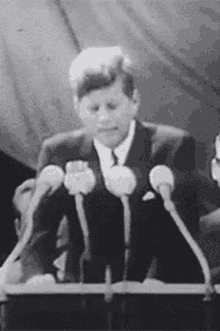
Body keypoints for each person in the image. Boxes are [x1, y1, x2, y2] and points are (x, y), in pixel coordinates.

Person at [7, 46, 220, 285]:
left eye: (112, 106)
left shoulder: (173, 147)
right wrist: (38, 276)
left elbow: (180, 229)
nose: (104, 118)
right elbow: (39, 229)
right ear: (77, 106)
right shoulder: (58, 151)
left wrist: (160, 282)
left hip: (153, 290)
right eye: (93, 109)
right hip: (81, 292)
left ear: (134, 101)